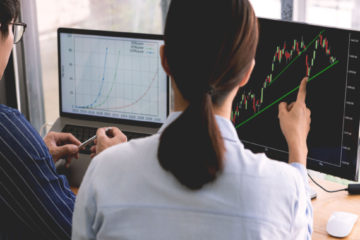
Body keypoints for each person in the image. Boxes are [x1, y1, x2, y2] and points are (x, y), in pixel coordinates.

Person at [72, 0, 313, 239]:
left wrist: (117, 165)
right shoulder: (284, 188)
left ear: (165, 59)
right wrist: (298, 149)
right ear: (247, 74)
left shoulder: (104, 172)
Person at [0, 0, 81, 239]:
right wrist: (109, 166)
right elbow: (78, 230)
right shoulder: (6, 129)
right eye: (13, 30)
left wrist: (31, 159)